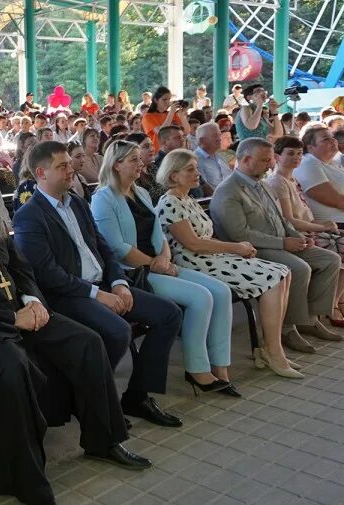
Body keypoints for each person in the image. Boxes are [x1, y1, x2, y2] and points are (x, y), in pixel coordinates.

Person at [0, 158, 150, 505]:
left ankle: (104, 440)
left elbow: (22, 269)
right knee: (12, 369)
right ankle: (26, 480)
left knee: (87, 342)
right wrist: (13, 320)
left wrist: (32, 300)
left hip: (23, 313)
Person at [15, 142, 185, 426]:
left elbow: (104, 249)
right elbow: (47, 274)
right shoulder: (29, 215)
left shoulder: (78, 203)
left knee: (169, 315)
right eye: (63, 166)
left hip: (104, 285)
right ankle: (92, 400)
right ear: (41, 173)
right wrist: (97, 294)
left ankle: (137, 396)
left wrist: (118, 282)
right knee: (117, 331)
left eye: (71, 163)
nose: (72, 170)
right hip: (69, 295)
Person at [91, 141, 237, 396]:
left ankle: (220, 366)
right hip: (134, 273)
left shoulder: (142, 193)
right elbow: (115, 247)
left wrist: (164, 258)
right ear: (116, 164)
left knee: (222, 291)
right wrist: (153, 263)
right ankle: (197, 369)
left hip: (159, 265)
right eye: (133, 160)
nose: (141, 164)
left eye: (140, 159)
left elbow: (160, 234)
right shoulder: (103, 198)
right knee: (200, 297)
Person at [155, 148, 298, 376]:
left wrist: (237, 250)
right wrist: (235, 247)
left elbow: (207, 239)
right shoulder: (169, 202)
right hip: (194, 262)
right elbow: (194, 244)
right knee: (274, 276)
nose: (197, 173)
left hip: (211, 257)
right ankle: (273, 351)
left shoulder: (187, 199)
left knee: (284, 272)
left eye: (196, 167)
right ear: (173, 175)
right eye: (190, 169)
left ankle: (270, 346)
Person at [211, 139, 343, 356]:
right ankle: (287, 328)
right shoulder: (229, 190)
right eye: (264, 160)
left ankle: (309, 319)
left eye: (270, 159)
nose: (270, 164)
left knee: (329, 260)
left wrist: (297, 236)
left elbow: (281, 219)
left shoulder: (262, 183)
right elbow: (240, 234)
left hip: (281, 242)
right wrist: (284, 243)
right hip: (250, 250)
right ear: (245, 159)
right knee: (299, 268)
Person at [267, 136, 344, 336]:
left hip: (311, 229)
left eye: (299, 154)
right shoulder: (277, 182)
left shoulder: (292, 179)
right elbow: (289, 220)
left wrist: (324, 227)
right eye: (290, 154)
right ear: (277, 156)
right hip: (300, 234)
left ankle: (335, 302)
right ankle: (324, 310)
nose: (296, 158)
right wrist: (321, 227)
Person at [294, 125, 344, 233]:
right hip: (339, 225)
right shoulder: (308, 163)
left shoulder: (333, 162)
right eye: (326, 139)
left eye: (332, 137)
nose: (333, 141)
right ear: (310, 147)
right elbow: (335, 200)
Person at [141, 86, 190, 154]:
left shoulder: (171, 114)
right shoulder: (148, 117)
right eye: (164, 99)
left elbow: (186, 131)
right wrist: (171, 112)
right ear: (156, 100)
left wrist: (182, 115)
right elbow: (161, 132)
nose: (167, 102)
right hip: (159, 153)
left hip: (175, 152)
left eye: (169, 99)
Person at [194, 122, 233, 190]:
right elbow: (205, 189)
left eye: (219, 135)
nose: (219, 138)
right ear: (202, 140)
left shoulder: (221, 155)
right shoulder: (195, 160)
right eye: (215, 136)